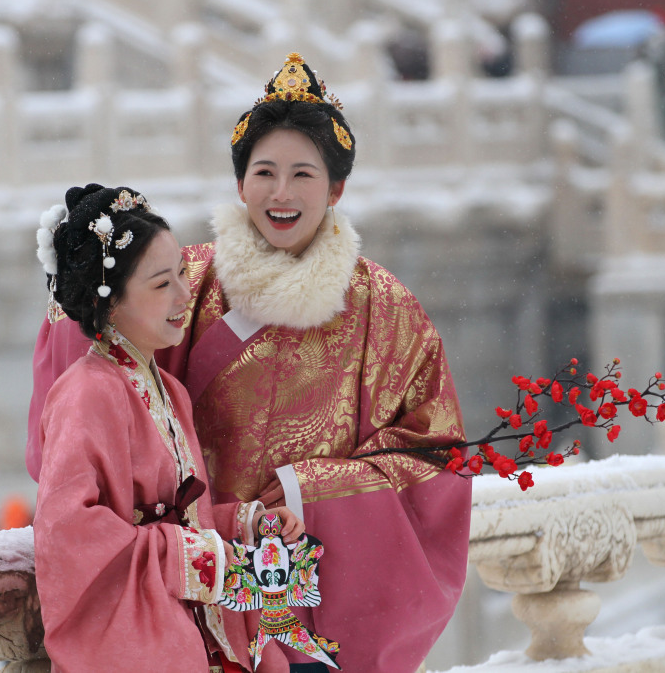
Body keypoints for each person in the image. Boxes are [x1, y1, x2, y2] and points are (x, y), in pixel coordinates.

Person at [28, 54, 472, 673]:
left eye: (303, 174)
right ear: (240, 183)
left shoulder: (387, 310)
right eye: (264, 172)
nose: (281, 193)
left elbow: (438, 460)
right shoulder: (185, 279)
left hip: (320, 602)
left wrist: (307, 491)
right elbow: (100, 376)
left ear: (336, 188)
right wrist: (76, 280)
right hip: (201, 612)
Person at [31, 183, 303, 673]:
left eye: (182, 273)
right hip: (146, 648)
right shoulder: (86, 393)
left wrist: (244, 523)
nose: (184, 294)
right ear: (109, 303)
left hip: (191, 634)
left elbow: (175, 520)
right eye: (161, 285)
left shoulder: (167, 388)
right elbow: (68, 534)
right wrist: (187, 557)